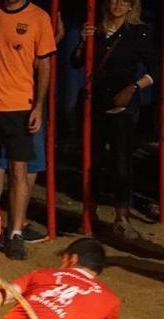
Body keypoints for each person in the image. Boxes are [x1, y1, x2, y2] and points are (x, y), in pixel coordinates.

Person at [71, 0, 157, 240]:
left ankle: (122, 218)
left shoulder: (139, 32)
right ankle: (90, 214)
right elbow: (76, 62)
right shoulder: (94, 29)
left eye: (124, 1)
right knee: (92, 160)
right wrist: (82, 42)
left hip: (123, 106)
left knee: (122, 162)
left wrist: (134, 87)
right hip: (95, 104)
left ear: (132, 7)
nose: (118, 4)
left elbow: (155, 70)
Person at [0, 0, 56, 260]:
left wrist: (39, 107)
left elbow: (44, 64)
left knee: (18, 170)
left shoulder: (39, 17)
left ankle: (15, 233)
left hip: (21, 105)